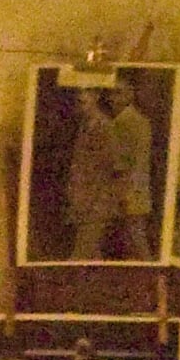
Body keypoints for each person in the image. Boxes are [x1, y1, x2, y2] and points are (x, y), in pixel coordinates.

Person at [63, 83, 156, 259]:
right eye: (111, 94)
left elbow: (124, 165)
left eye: (118, 93)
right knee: (96, 250)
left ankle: (153, 271)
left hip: (109, 197)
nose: (112, 99)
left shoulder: (116, 124)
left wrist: (121, 193)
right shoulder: (94, 124)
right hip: (92, 197)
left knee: (133, 241)